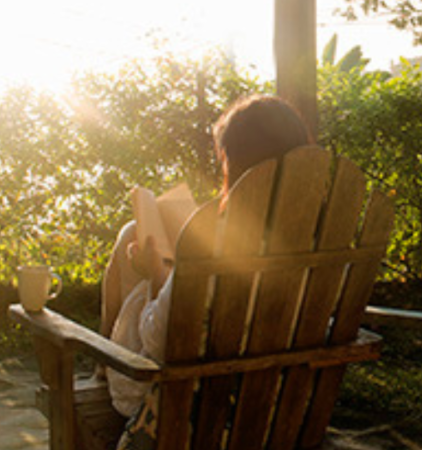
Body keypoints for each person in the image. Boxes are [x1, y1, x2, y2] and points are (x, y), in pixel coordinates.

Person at [99, 95, 313, 449]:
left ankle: (98, 358)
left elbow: (159, 340)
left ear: (233, 161)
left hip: (198, 412)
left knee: (131, 239)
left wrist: (155, 274)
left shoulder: (220, 239)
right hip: (281, 409)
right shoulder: (318, 233)